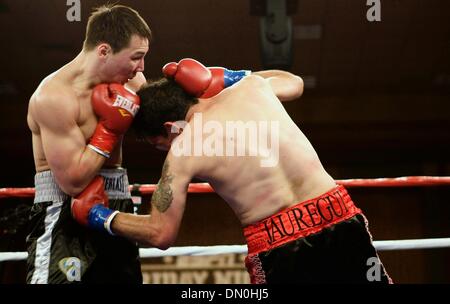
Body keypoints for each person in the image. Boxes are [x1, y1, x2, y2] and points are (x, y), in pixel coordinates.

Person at [78, 58, 392, 284]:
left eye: (158, 143)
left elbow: (161, 234)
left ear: (168, 128)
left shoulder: (184, 150)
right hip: (338, 213)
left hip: (280, 243)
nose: (163, 150)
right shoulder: (251, 87)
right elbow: (294, 84)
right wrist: (233, 75)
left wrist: (100, 216)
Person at [26, 4, 151, 284]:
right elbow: (73, 181)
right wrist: (108, 129)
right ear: (104, 51)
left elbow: (165, 127)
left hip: (116, 203)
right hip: (63, 211)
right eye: (136, 57)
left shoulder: (132, 83)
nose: (141, 68)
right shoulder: (55, 97)